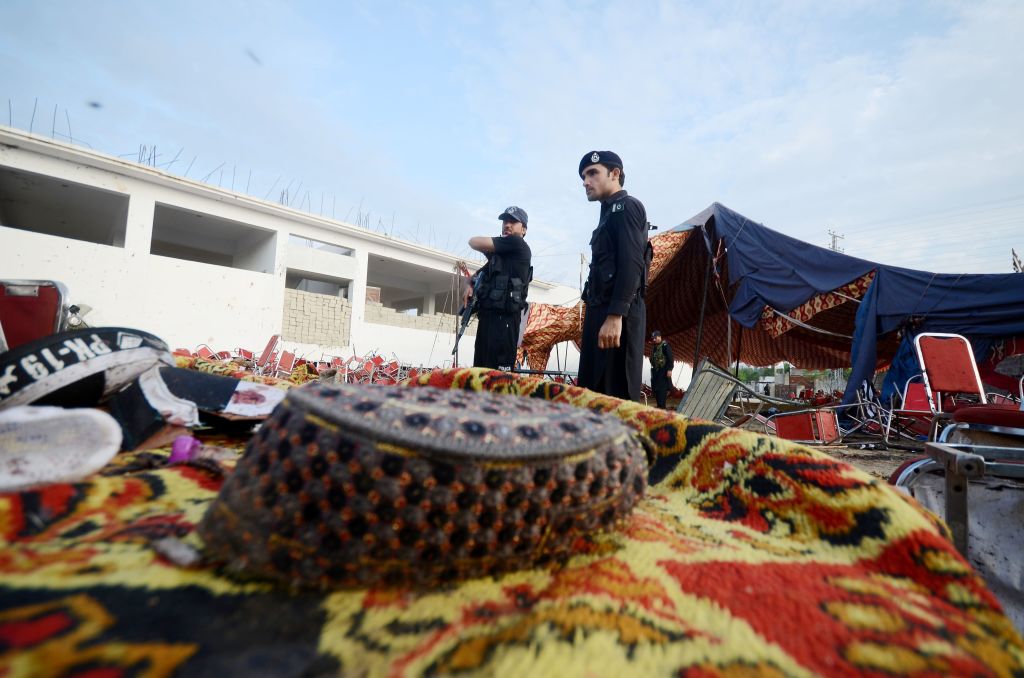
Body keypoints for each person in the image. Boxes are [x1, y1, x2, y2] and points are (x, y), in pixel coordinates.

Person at [576, 151, 652, 401]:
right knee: (592, 394)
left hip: (618, 315)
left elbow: (632, 264)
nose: (585, 181)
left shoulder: (627, 207)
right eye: (583, 176)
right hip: (600, 309)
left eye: (593, 173)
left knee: (615, 397)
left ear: (615, 174)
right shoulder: (607, 214)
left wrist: (615, 315)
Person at [465, 206, 532, 370]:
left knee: (498, 378)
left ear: (523, 229)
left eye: (513, 222)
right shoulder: (499, 257)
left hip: (505, 321)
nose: (507, 225)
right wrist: (469, 286)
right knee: (480, 372)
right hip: (488, 319)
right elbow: (473, 278)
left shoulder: (517, 243)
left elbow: (473, 241)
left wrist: (492, 245)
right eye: (505, 221)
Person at [649, 330, 674, 408]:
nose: (654, 339)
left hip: (663, 371)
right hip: (656, 372)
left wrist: (670, 369)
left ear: (660, 337)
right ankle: (659, 406)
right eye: (653, 338)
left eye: (655, 337)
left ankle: (662, 407)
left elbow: (670, 357)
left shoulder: (665, 345)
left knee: (662, 391)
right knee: (656, 390)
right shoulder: (654, 347)